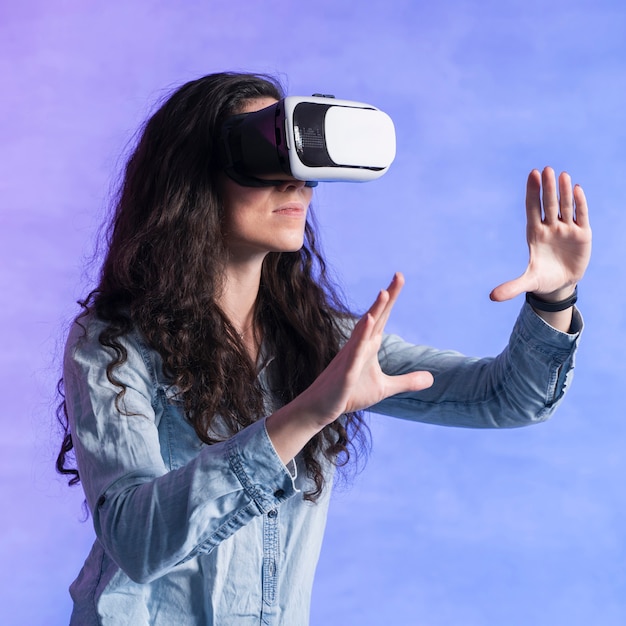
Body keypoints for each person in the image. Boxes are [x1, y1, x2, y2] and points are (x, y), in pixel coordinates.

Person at [56, 71, 592, 626]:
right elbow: (135, 540)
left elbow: (504, 398)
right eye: (266, 155)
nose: (297, 184)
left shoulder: (320, 342)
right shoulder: (112, 345)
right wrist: (310, 410)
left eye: (302, 163)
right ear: (192, 178)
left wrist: (554, 296)